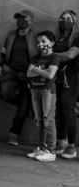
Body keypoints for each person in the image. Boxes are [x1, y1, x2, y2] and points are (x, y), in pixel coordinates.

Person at [1, 10, 38, 146]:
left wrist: (32, 71)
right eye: (18, 19)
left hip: (26, 75)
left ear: (30, 21)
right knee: (5, 93)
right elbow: (3, 51)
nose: (20, 21)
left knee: (22, 107)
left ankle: (13, 134)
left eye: (24, 19)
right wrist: (3, 64)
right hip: (11, 72)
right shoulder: (11, 35)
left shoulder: (34, 37)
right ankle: (28, 106)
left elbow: (37, 56)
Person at [26, 31, 60, 162]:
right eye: (38, 42)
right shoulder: (35, 57)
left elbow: (50, 75)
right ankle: (41, 147)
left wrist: (35, 69)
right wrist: (42, 71)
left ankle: (50, 150)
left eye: (44, 42)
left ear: (51, 43)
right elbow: (28, 74)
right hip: (35, 90)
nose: (40, 44)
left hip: (47, 91)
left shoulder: (54, 57)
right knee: (39, 121)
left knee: (48, 120)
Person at [53, 10, 79, 159]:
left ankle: (71, 146)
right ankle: (61, 142)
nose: (65, 21)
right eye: (62, 18)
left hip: (71, 79)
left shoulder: (77, 37)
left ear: (74, 21)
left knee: (69, 112)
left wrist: (52, 57)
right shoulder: (59, 38)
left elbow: (71, 55)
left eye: (69, 18)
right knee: (58, 112)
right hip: (57, 78)